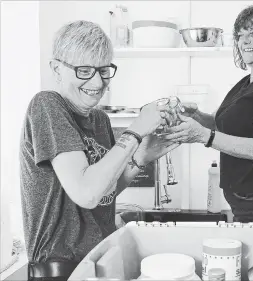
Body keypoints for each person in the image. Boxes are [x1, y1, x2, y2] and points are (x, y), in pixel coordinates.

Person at [19, 20, 178, 281]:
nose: (97, 81)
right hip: (60, 270)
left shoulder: (100, 120)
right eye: (84, 70)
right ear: (56, 69)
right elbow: (87, 193)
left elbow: (105, 191)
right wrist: (136, 130)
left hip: (99, 260)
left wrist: (142, 154)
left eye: (104, 71)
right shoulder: (47, 106)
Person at [164, 2, 253, 223]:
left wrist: (202, 136)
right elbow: (226, 127)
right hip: (248, 196)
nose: (244, 40)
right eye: (240, 34)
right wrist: (198, 117)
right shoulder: (248, 82)